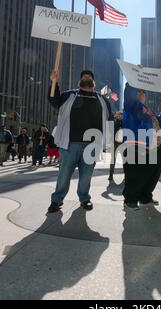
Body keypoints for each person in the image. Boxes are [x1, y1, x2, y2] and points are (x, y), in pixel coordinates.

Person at [47, 69, 112, 213]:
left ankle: (84, 199)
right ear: (80, 81)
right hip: (70, 144)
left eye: (89, 76)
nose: (86, 77)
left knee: (86, 176)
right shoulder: (69, 95)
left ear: (93, 83)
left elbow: (110, 119)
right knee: (64, 175)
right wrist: (54, 82)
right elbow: (53, 100)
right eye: (84, 76)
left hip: (92, 146)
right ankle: (56, 201)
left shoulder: (102, 100)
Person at [122, 84, 161, 210]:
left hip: (153, 145)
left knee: (154, 171)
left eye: (143, 92)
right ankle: (130, 200)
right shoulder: (131, 105)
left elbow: (159, 122)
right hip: (135, 143)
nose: (141, 94)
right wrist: (133, 82)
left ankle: (145, 197)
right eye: (138, 91)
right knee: (134, 173)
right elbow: (128, 94)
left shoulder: (147, 109)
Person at [109, 111, 123, 181]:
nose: (120, 117)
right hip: (115, 142)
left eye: (121, 115)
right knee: (113, 159)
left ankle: (126, 175)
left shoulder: (125, 123)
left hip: (123, 143)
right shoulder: (115, 122)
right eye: (119, 115)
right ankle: (111, 175)